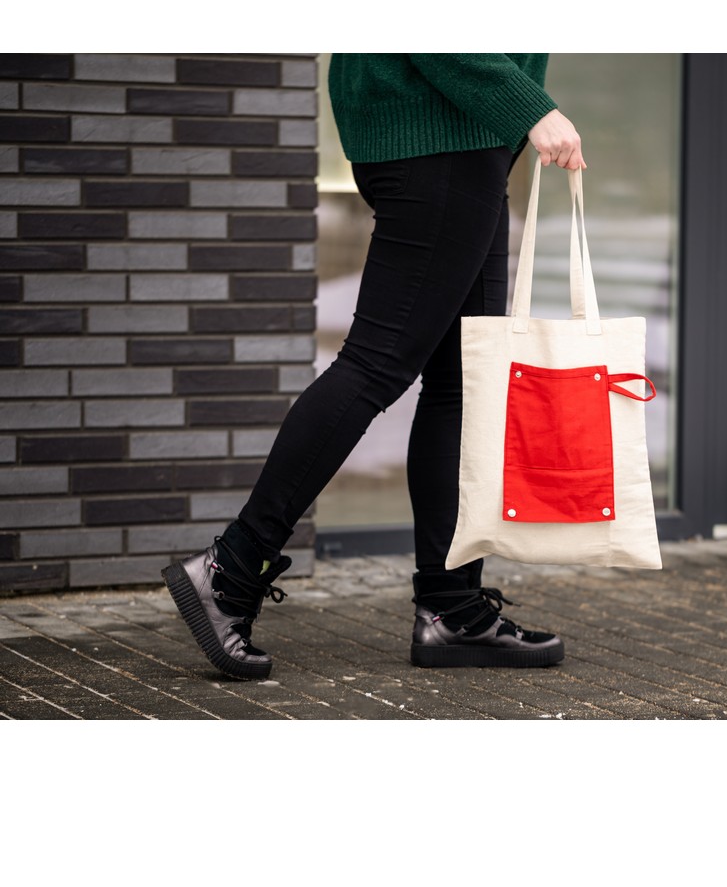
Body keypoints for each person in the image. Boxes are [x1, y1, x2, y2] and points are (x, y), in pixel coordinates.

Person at [162, 54, 586, 680]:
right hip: (438, 136)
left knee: (461, 381)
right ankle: (232, 568)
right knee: (376, 365)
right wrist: (529, 107)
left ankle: (452, 606)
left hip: (463, 138)